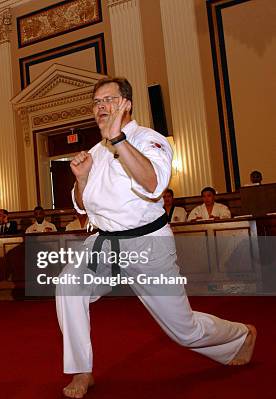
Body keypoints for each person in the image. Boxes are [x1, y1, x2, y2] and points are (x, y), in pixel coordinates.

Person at [56, 77, 256, 398]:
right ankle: (82, 370)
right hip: (105, 243)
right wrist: (81, 179)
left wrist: (119, 139)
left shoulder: (151, 140)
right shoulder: (95, 151)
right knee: (68, 286)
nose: (101, 107)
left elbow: (152, 185)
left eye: (108, 100)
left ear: (127, 104)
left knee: (184, 331)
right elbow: (83, 204)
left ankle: (241, 334)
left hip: (147, 245)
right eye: (96, 102)